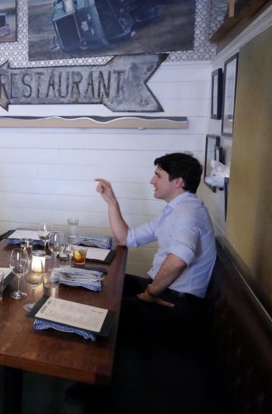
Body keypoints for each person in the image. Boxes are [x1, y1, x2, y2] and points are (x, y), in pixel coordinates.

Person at [81, 152, 218, 412]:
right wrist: (111, 201)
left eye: (158, 175)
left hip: (178, 306)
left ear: (178, 182)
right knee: (102, 284)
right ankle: (89, 380)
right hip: (165, 292)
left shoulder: (190, 212)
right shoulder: (174, 209)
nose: (152, 180)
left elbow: (179, 260)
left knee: (102, 316)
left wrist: (151, 293)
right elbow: (127, 238)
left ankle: (100, 395)